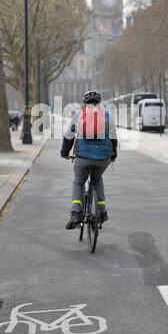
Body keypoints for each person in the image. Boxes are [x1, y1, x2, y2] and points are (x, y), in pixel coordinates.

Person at [60, 90, 117, 230]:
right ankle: (102, 212)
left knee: (78, 182)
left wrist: (64, 153)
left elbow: (68, 135)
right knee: (97, 180)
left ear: (84, 103)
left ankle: (75, 213)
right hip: (103, 158)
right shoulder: (107, 115)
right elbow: (113, 137)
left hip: (83, 158)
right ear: (99, 103)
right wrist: (113, 156)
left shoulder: (79, 115)